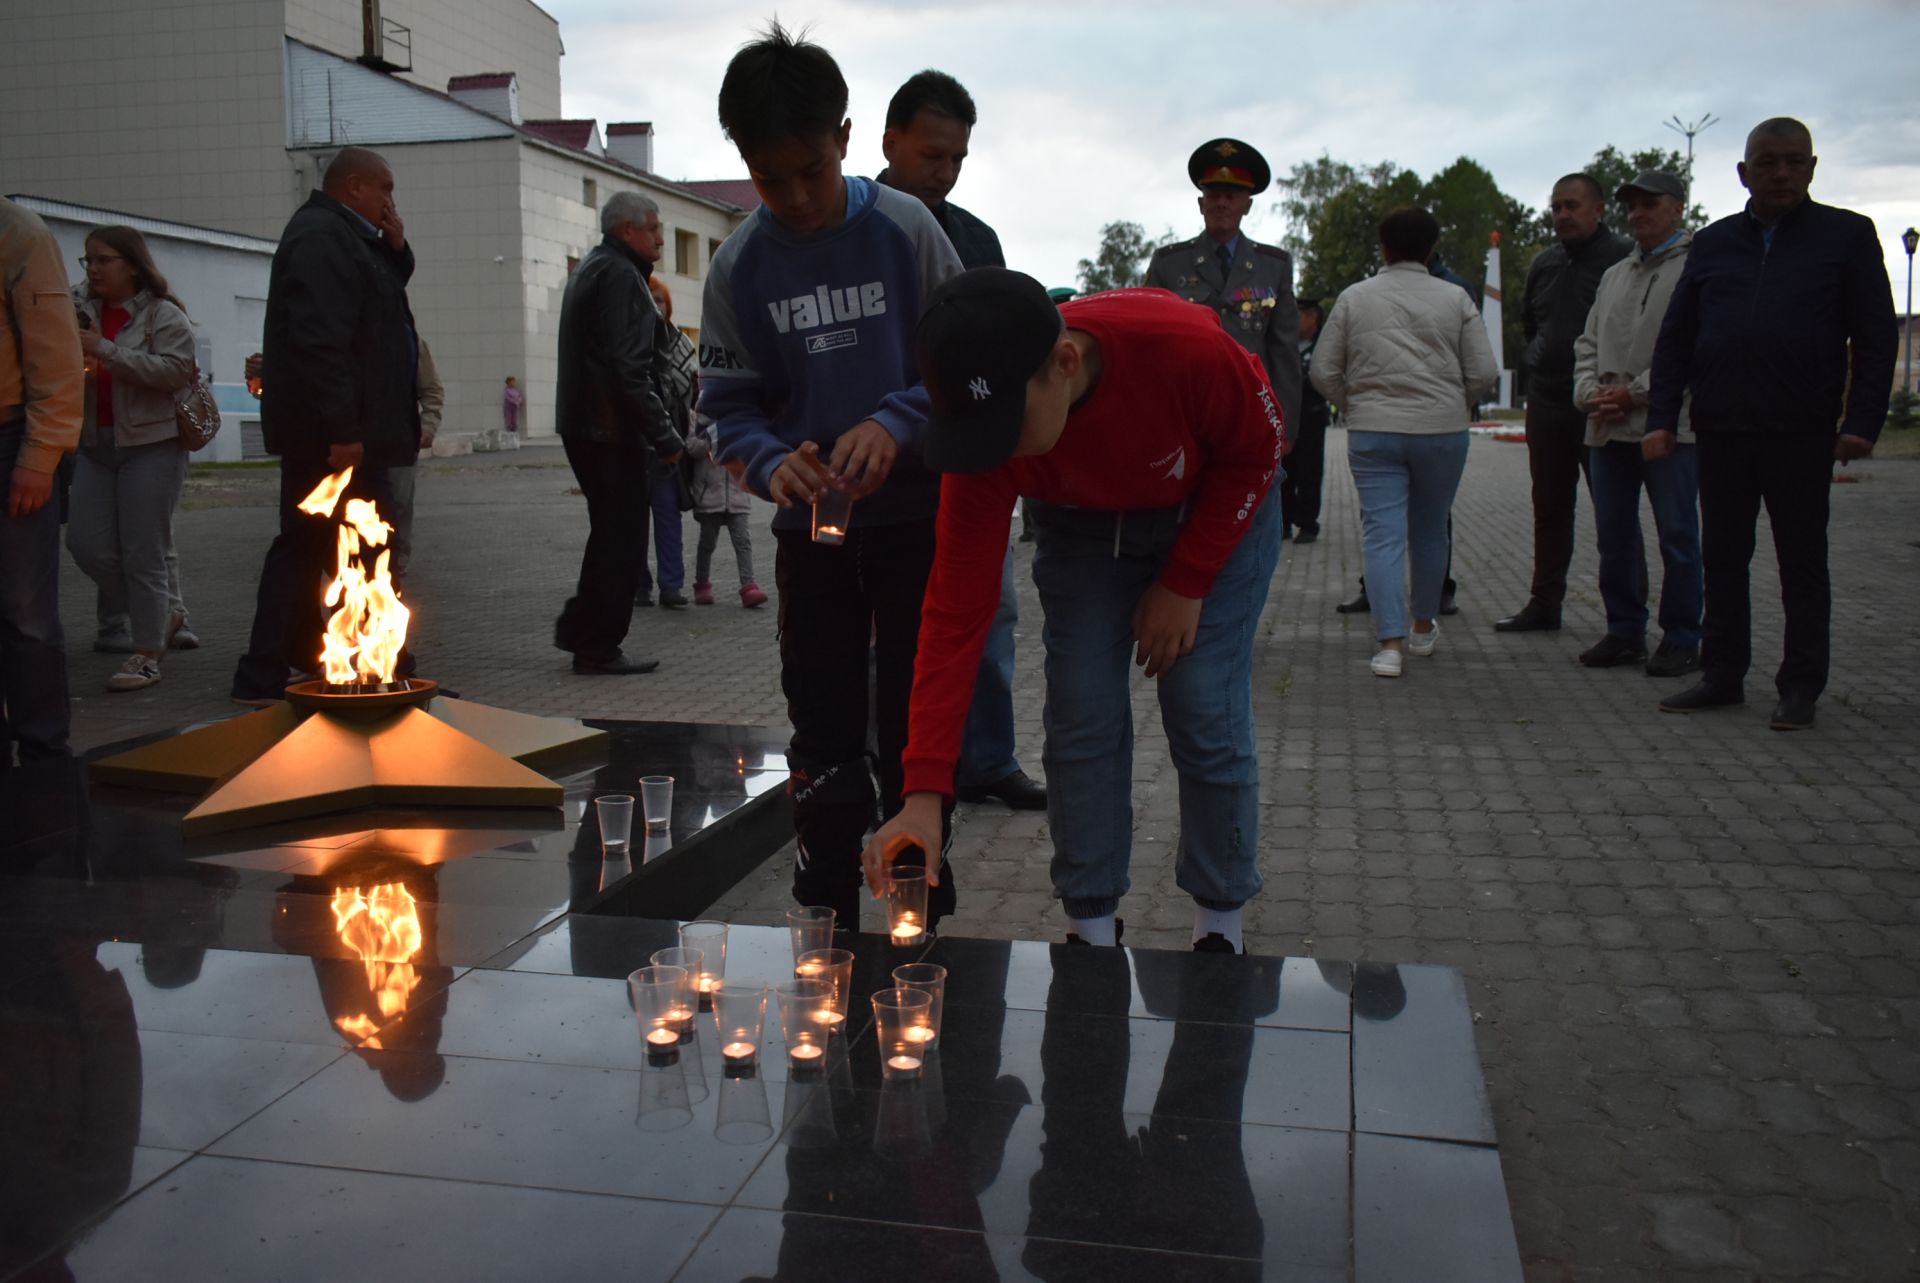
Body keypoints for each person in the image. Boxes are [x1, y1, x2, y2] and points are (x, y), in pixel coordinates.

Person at [861, 268, 1286, 953]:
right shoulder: (986, 438)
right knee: (1082, 710)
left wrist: (1187, 579)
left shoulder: (1185, 347)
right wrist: (923, 791)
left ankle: (1220, 923)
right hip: (1083, 531)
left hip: (1209, 511)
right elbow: (954, 615)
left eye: (1006, 423)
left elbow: (1261, 449)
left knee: (1204, 704)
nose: (993, 449)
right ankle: (1089, 927)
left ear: (1064, 363)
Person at [699, 23, 963, 931]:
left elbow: (967, 370)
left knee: (913, 723)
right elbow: (727, 408)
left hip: (920, 523)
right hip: (814, 536)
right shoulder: (740, 265)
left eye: (811, 170)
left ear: (846, 139)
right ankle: (824, 906)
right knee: (821, 719)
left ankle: (919, 893)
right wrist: (773, 463)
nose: (797, 197)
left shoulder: (906, 231)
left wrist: (896, 421)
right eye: (771, 179)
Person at [1648, 118, 1896, 730]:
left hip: (1801, 429)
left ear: (1811, 168)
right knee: (1723, 556)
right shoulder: (1713, 243)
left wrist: (1862, 419)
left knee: (1802, 562)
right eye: (1767, 162)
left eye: (1793, 162)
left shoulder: (1847, 236)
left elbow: (1875, 335)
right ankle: (1723, 674)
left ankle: (1800, 685)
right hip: (1723, 427)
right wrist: (1660, 417)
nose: (1781, 173)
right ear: (1743, 173)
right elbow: (1677, 337)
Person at [877, 68, 1044, 812]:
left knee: (994, 613)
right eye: (930, 155)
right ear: (890, 142)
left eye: (956, 160)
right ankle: (894, 763)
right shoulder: (860, 223)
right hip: (882, 461)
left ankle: (988, 758)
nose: (943, 173)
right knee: (895, 626)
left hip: (969, 460)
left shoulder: (977, 236)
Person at [231, 147, 420, 705]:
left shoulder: (348, 238)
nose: (391, 201)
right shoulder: (320, 237)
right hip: (334, 439)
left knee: (333, 545)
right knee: (333, 545)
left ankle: (299, 660)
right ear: (354, 186)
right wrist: (342, 429)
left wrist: (396, 248)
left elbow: (383, 298)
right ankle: (280, 668)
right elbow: (321, 341)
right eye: (384, 188)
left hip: (356, 432)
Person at [1310, 208, 1499, 678]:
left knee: (1382, 533)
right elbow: (1484, 372)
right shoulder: (1456, 298)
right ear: (1431, 249)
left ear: (1384, 248)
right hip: (1442, 431)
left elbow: (1321, 371)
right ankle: (1422, 626)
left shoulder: (1354, 298)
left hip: (1374, 431)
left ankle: (1389, 644)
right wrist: (1455, 403)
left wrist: (1354, 406)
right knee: (1431, 529)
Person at [1570, 170, 1702, 678]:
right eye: (1633, 205)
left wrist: (1636, 392)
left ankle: (1683, 635)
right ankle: (1625, 630)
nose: (1639, 214)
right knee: (1614, 535)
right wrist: (1589, 393)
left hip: (1668, 425)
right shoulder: (1616, 274)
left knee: (1677, 533)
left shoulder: (1694, 268)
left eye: (1651, 203)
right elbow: (1586, 343)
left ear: (1677, 208)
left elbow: (1692, 350)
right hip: (1607, 425)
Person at [551, 190, 685, 675]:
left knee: (608, 534)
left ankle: (582, 631)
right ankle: (598, 646)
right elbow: (631, 369)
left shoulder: (592, 268)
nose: (661, 240)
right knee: (622, 540)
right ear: (626, 230)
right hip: (610, 429)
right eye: (653, 229)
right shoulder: (621, 276)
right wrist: (667, 437)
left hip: (588, 425)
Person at [1496, 174, 1631, 633]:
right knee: (1549, 507)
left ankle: (1625, 619)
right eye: (1556, 207)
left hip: (1600, 404)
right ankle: (1544, 602)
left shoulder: (1623, 259)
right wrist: (1539, 360)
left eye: (1572, 206)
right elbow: (1530, 323)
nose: (1562, 215)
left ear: (1598, 209)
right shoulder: (1545, 262)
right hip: (1548, 399)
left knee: (1614, 512)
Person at [65, 226, 197, 692]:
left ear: (133, 265)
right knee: (86, 544)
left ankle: (145, 654)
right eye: (89, 261)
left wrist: (103, 349)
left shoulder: (163, 315)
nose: (94, 269)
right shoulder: (76, 310)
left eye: (104, 260)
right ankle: (164, 615)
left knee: (144, 551)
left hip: (152, 444)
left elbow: (176, 371)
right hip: (93, 444)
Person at [1145, 138, 1302, 448]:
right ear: (1201, 203)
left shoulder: (1275, 265)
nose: (1221, 204)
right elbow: (1150, 343)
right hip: (1185, 413)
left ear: (1248, 205)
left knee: (1257, 496)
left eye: (1231, 196)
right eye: (1214, 195)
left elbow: (1284, 351)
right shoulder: (1169, 263)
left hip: (1253, 413)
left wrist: (1285, 425)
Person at [0, 197, 84, 762]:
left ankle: (44, 752)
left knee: (24, 611)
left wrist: (39, 456)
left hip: (9, 442)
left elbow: (55, 355)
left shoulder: (17, 233)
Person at [384, 333, 441, 582]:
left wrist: (428, 426)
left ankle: (396, 560)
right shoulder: (340, 332)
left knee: (398, 501)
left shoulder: (408, 340)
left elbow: (431, 389)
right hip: (352, 441)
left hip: (399, 440)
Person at [1281, 297, 1328, 543]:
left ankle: (1308, 524)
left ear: (1313, 318)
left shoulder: (1323, 346)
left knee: (1310, 472)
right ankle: (1283, 521)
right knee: (1285, 472)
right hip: (1287, 417)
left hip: (1312, 417)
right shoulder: (1284, 342)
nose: (1294, 319)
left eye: (1299, 314)